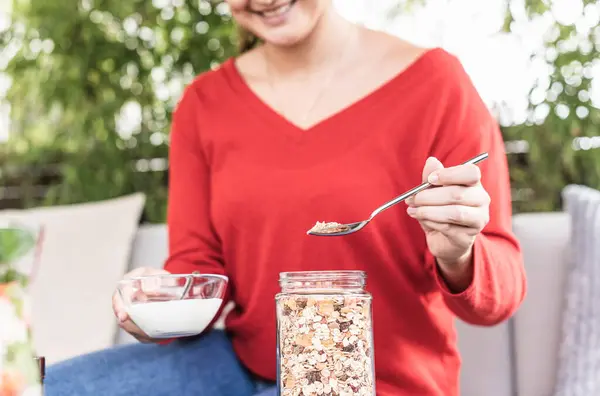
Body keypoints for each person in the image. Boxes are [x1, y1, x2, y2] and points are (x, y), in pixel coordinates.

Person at [45, 0, 527, 395]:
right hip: (241, 368)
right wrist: (161, 301)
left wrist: (459, 253)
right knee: (49, 387)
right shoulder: (203, 105)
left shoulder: (437, 85)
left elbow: (500, 295)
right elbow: (200, 267)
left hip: (383, 382)